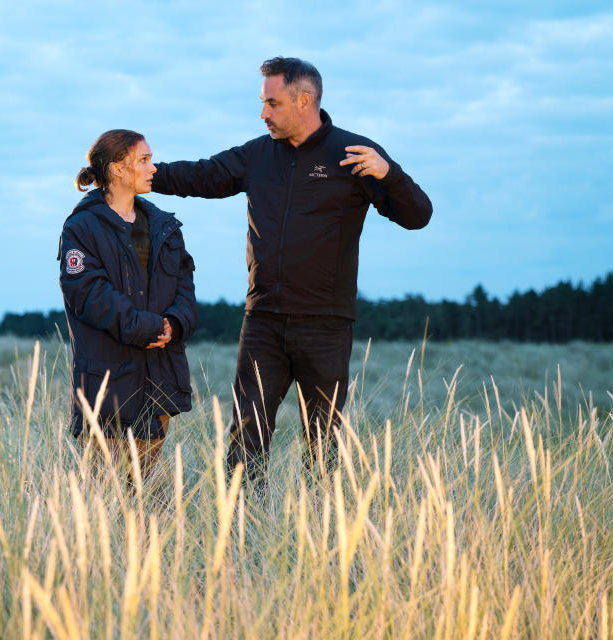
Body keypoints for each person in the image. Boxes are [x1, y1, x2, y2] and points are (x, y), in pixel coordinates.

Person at [151, 57, 432, 484]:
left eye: (272, 103)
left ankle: (321, 535)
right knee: (246, 437)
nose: (263, 113)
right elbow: (201, 176)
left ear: (304, 101)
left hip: (325, 324)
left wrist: (389, 174)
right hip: (263, 321)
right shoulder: (257, 155)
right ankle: (242, 535)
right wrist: (139, 175)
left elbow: (418, 215)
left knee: (323, 443)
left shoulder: (353, 154)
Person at [59, 129, 197, 479]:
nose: (154, 168)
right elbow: (88, 294)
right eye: (144, 160)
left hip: (159, 375)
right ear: (119, 169)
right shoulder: (82, 227)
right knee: (103, 490)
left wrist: (174, 325)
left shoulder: (164, 227)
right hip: (108, 380)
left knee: (145, 485)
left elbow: (185, 286)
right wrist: (149, 327)